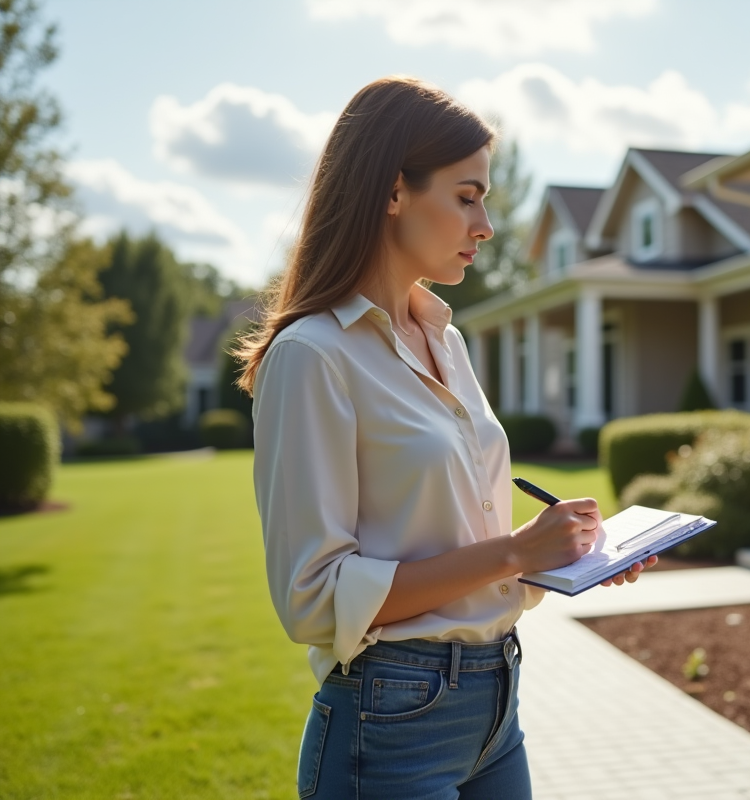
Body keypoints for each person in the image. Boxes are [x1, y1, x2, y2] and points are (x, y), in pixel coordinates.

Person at [235, 76, 655, 799]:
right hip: (391, 724)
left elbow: (454, 549)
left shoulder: (445, 339)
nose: (486, 224)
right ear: (394, 192)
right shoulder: (312, 356)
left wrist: (553, 560)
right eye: (467, 197)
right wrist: (516, 550)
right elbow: (314, 599)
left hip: (496, 705)